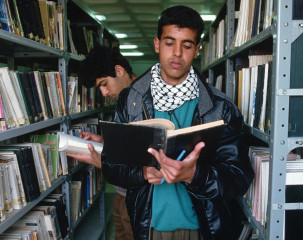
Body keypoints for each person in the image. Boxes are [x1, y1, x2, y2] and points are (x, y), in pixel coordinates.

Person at [101, 5, 254, 240]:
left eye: (187, 45)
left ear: (197, 50)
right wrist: (142, 173)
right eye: (169, 42)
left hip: (201, 229)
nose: (177, 53)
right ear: (157, 44)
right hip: (149, 226)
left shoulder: (220, 107)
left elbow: (238, 177)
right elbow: (111, 166)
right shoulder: (130, 100)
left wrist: (195, 175)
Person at [67, 45, 137, 240]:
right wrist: (104, 141)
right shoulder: (123, 101)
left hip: (138, 199)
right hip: (121, 195)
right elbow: (129, 145)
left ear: (119, 70)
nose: (104, 93)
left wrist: (103, 163)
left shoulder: (144, 102)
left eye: (104, 84)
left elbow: (145, 158)